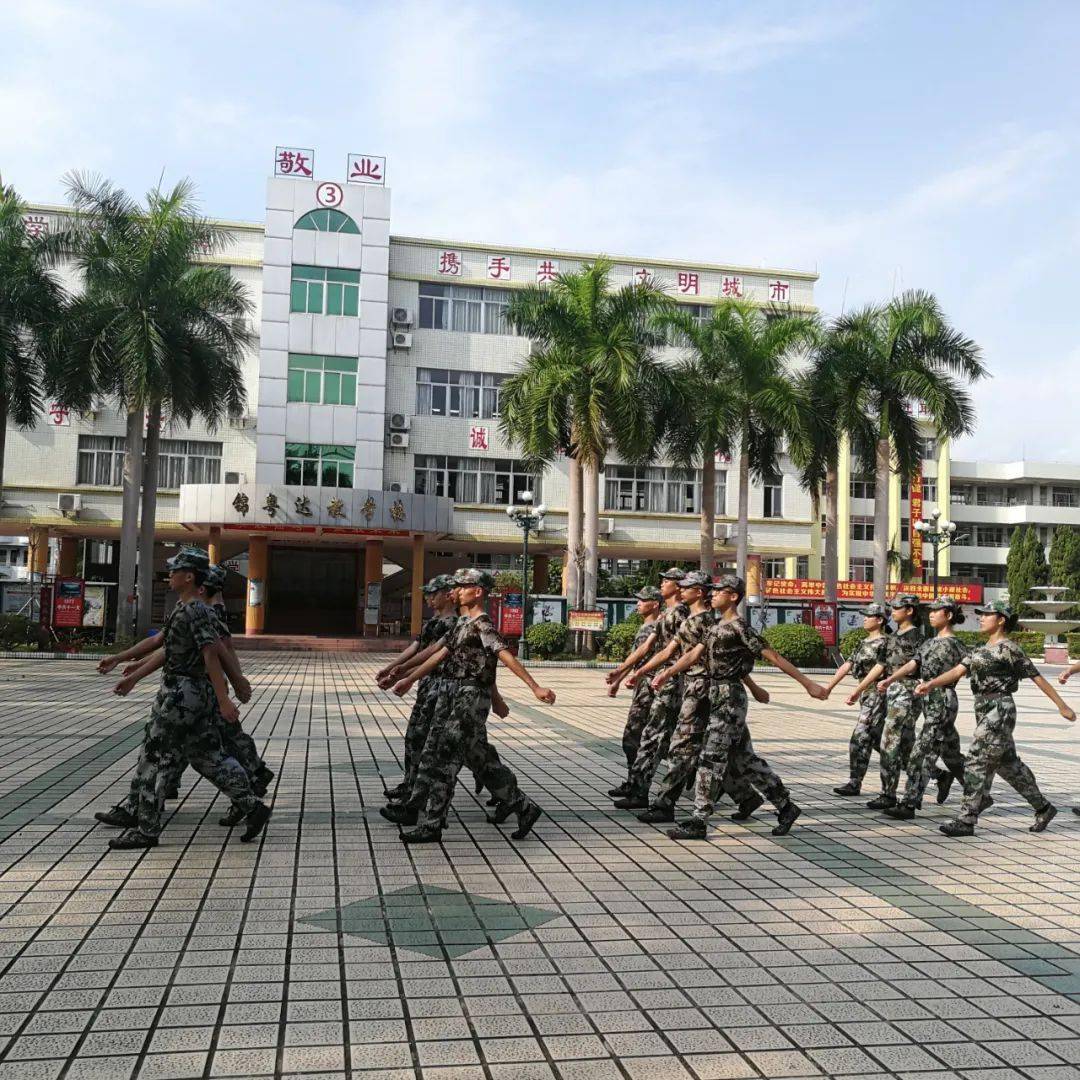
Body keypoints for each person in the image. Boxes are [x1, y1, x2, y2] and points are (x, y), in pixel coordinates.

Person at [95, 548, 271, 849]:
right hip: (189, 694)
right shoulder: (185, 607)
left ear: (189, 577)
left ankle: (146, 828)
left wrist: (225, 697)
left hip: (182, 695)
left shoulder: (196, 610)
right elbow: (159, 643)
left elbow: (212, 653)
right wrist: (122, 660)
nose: (170, 574)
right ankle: (252, 807)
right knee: (206, 756)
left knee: (153, 756)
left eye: (175, 570)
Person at [391, 568, 555, 843]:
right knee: (471, 756)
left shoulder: (482, 624)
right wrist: (408, 678)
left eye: (462, 586)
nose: (456, 590)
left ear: (477, 591)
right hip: (451, 695)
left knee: (444, 758)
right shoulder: (461, 624)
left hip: (470, 698)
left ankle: (431, 824)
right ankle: (522, 806)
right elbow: (438, 654)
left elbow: (504, 655)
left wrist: (534, 687)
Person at [658, 575, 827, 840]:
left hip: (730, 699)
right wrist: (667, 674)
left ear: (733, 596)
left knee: (710, 758)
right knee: (743, 759)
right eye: (711, 591)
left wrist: (808, 684)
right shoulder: (714, 626)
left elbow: (773, 656)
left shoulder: (740, 628)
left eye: (718, 591)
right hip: (716, 696)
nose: (712, 595)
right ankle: (786, 805)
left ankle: (699, 820)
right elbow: (693, 655)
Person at [917, 599, 1075, 837]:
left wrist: (1062, 706)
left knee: (975, 761)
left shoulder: (1009, 649)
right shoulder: (980, 650)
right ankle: (1044, 807)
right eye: (981, 614)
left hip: (999, 708)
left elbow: (1037, 677)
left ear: (1001, 619)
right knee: (1009, 766)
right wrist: (931, 683)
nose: (981, 618)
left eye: (987, 615)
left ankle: (966, 819)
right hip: (983, 708)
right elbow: (957, 671)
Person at [635, 572, 769, 825]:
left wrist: (753, 687)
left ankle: (668, 804)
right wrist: (648, 672)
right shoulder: (695, 620)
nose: (680, 590)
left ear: (699, 591)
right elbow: (672, 652)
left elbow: (723, 661)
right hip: (699, 689)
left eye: (687, 587)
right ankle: (747, 797)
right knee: (722, 753)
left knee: (686, 748)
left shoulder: (710, 622)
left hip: (706, 692)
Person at [606, 568, 690, 810]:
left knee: (657, 739)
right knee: (653, 739)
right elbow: (647, 648)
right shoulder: (666, 616)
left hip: (672, 683)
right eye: (662, 580)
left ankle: (644, 791)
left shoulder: (681, 615)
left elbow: (672, 653)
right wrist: (622, 672)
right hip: (660, 681)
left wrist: (640, 673)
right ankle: (637, 788)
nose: (663, 584)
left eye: (668, 581)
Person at [880, 596, 969, 820]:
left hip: (943, 700)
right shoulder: (929, 643)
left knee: (922, 753)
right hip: (929, 700)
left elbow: (959, 672)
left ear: (948, 615)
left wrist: (931, 683)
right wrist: (891, 679)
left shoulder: (957, 645)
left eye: (936, 611)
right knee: (951, 755)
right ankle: (978, 793)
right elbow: (913, 664)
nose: (931, 613)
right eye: (930, 610)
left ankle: (909, 803)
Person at [377, 575, 460, 805]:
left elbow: (434, 652)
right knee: (414, 737)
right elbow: (416, 648)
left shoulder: (452, 624)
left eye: (433, 593)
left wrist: (403, 673)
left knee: (430, 742)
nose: (428, 598)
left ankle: (418, 792)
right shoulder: (432, 622)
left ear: (447, 594)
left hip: (441, 687)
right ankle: (410, 784)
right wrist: (391, 669)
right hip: (427, 685)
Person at [858, 593, 925, 810]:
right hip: (892, 692)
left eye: (897, 607)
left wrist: (890, 679)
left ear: (910, 611)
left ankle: (890, 795)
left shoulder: (917, 638)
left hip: (907, 693)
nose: (893, 611)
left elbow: (913, 666)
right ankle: (934, 777)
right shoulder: (893, 637)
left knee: (890, 741)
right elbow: (880, 665)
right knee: (904, 746)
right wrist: (859, 689)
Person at [826, 603, 891, 797]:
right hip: (866, 693)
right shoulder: (863, 643)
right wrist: (828, 687)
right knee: (881, 743)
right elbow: (847, 665)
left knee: (860, 736)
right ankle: (934, 773)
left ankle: (855, 782)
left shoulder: (886, 643)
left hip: (877, 693)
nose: (864, 618)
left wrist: (856, 691)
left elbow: (877, 670)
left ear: (879, 620)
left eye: (869, 616)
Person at [607, 586, 663, 797]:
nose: (638, 603)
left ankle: (636, 784)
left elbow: (641, 657)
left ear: (655, 604)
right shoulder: (646, 627)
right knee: (638, 739)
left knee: (633, 738)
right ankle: (634, 781)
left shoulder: (654, 629)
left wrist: (622, 676)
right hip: (642, 686)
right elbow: (635, 659)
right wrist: (618, 680)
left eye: (643, 600)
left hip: (650, 688)